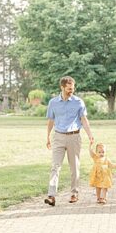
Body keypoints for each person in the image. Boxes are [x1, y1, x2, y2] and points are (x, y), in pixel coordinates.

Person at [44, 76, 95, 206]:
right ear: (62, 87)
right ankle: (51, 195)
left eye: (72, 88)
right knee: (55, 166)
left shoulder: (78, 102)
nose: (71, 90)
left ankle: (74, 193)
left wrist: (90, 135)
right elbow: (50, 121)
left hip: (74, 137)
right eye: (69, 89)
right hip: (58, 137)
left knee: (74, 167)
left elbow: (84, 120)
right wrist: (48, 137)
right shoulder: (53, 103)